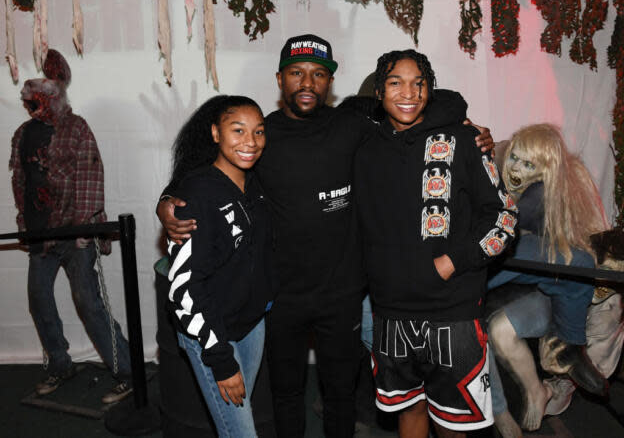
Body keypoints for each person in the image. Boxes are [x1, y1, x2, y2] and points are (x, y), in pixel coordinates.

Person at [157, 33, 494, 437]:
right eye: (296, 73)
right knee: (286, 393)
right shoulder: (260, 134)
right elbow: (203, 167)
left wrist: (466, 127)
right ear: (279, 79)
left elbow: (416, 104)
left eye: (318, 74)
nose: (307, 83)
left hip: (343, 294)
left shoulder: (355, 124)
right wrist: (168, 199)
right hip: (281, 296)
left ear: (329, 82)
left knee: (340, 394)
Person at [354, 49, 517, 438]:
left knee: (452, 424)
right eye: (395, 82)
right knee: (409, 411)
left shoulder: (463, 139)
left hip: (453, 311)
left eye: (418, 83)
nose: (408, 92)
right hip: (390, 313)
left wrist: (453, 261)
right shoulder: (364, 149)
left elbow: (505, 218)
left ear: (430, 90)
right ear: (379, 91)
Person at [9, 49, 133, 403]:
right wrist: (24, 222)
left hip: (73, 231)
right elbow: (21, 182)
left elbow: (91, 177)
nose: (35, 108)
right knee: (39, 299)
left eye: (41, 100)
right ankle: (60, 364)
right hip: (39, 233)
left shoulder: (76, 128)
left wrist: (85, 229)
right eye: (30, 102)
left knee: (88, 302)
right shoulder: (22, 134)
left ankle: (126, 370)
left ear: (55, 97)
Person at [485, 124, 610, 434]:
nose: (517, 168)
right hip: (501, 277)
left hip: (546, 288)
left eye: (530, 165)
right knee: (477, 324)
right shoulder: (494, 175)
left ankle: (557, 368)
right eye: (515, 158)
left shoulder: (553, 193)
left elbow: (587, 265)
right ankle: (501, 410)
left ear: (545, 170)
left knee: (501, 328)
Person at [167, 95, 276, 437]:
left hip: (249, 325)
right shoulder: (197, 193)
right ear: (215, 133)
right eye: (238, 130)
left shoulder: (254, 183)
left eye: (258, 132)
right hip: (212, 337)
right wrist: (219, 357)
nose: (250, 141)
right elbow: (184, 287)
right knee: (241, 433)